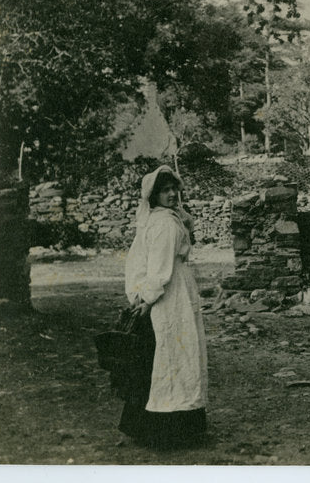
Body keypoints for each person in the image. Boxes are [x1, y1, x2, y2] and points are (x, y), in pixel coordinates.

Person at [119, 165, 209, 449]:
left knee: (165, 358)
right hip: (169, 295)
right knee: (172, 357)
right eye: (164, 190)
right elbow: (159, 270)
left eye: (174, 189)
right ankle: (167, 430)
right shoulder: (164, 224)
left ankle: (153, 426)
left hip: (171, 292)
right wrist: (147, 299)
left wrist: (142, 295)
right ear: (153, 195)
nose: (171, 194)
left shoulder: (161, 220)